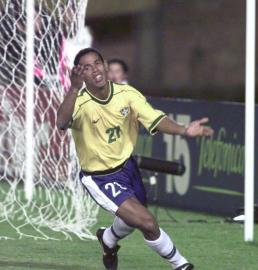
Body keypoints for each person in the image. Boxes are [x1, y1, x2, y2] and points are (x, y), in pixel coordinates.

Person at [56, 48, 214, 270]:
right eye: (87, 68)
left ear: (105, 64)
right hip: (100, 177)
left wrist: (185, 130)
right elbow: (61, 123)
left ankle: (108, 239)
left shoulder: (127, 94)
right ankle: (181, 265)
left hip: (128, 168)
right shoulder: (80, 102)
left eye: (97, 63)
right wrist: (73, 88)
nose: (95, 70)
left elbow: (155, 119)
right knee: (147, 222)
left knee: (132, 221)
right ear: (80, 73)